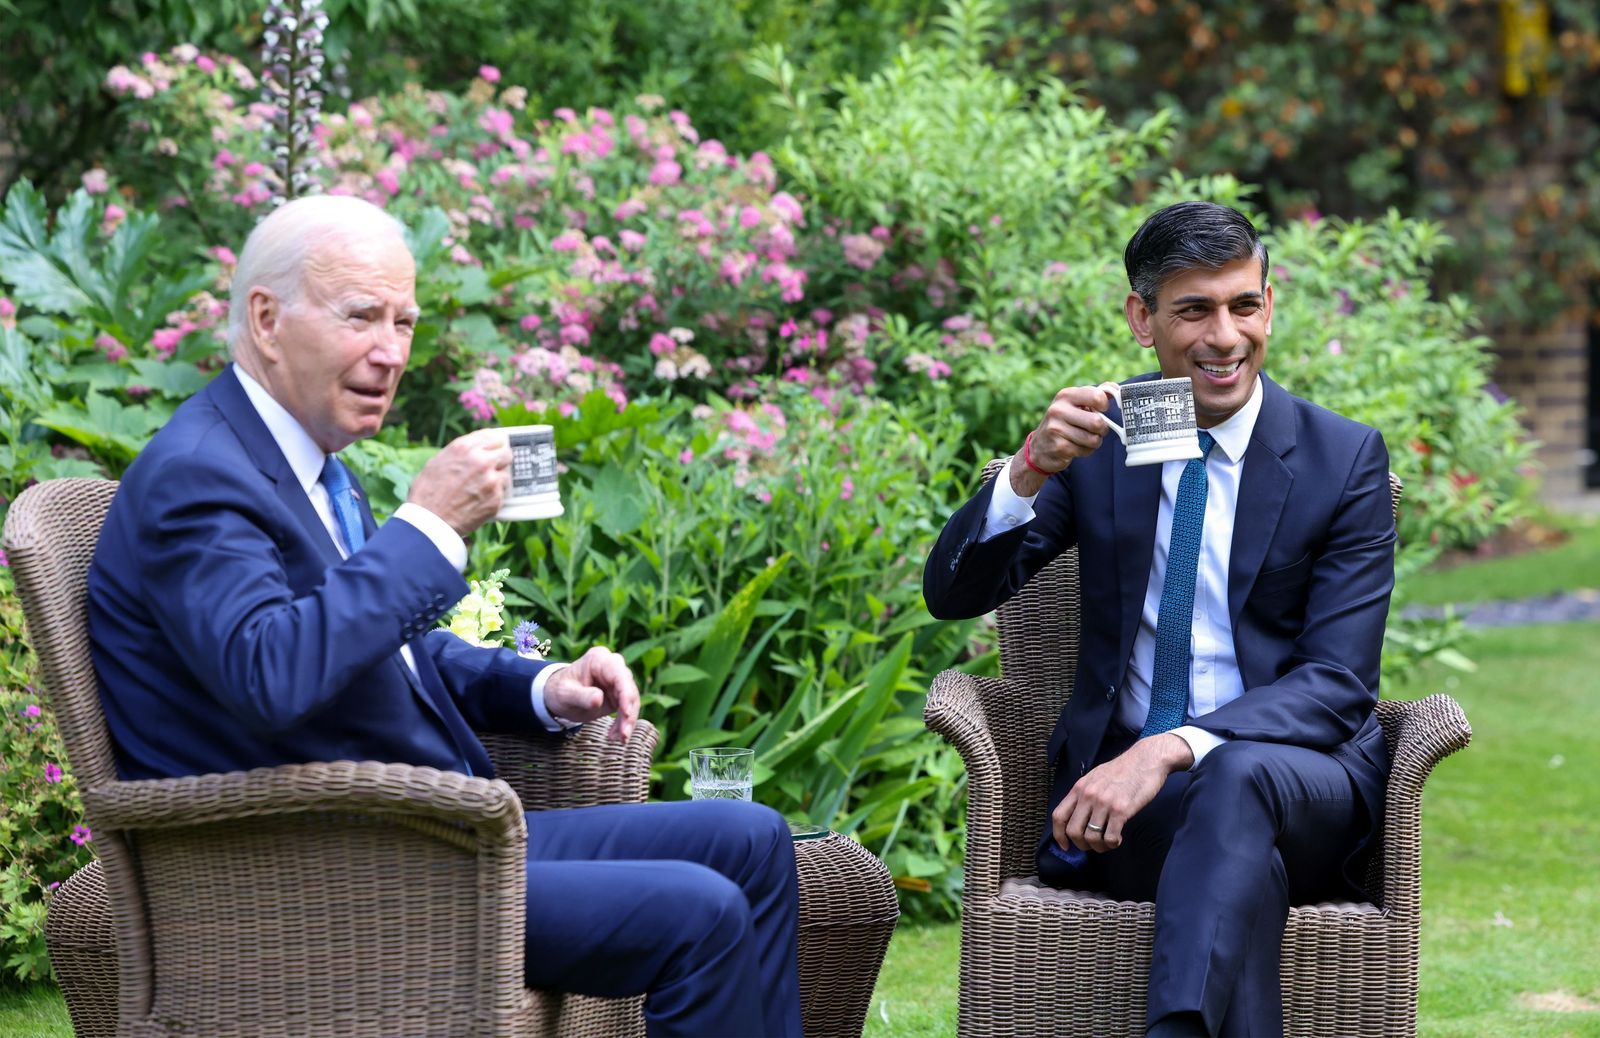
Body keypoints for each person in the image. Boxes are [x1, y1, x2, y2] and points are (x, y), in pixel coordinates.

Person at [87, 194, 802, 1038]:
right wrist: (426, 527)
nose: (391, 354)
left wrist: (543, 686)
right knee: (701, 912)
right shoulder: (199, 477)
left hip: (428, 832)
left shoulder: (306, 462)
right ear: (267, 319)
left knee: (753, 839)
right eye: (361, 318)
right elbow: (271, 675)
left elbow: (385, 650)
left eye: (405, 322)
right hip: (320, 869)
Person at [923, 201, 1394, 1037]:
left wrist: (1166, 747)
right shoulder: (1115, 441)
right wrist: (1031, 469)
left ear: (1269, 305)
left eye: (1243, 306)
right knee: (1240, 866)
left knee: (1239, 776)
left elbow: (1336, 684)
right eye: (1193, 310)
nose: (1224, 337)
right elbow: (955, 594)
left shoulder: (1341, 459)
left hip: (1305, 785)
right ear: (1142, 318)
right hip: (1135, 815)